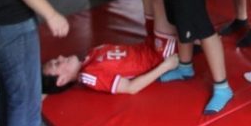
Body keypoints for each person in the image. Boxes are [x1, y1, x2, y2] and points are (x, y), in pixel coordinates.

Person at [42, 35, 178, 95]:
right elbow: (131, 88)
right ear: (62, 80)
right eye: (56, 64)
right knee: (161, 0)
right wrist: (166, 66)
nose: (60, 57)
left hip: (151, 43)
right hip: (159, 54)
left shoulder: (90, 54)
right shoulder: (89, 75)